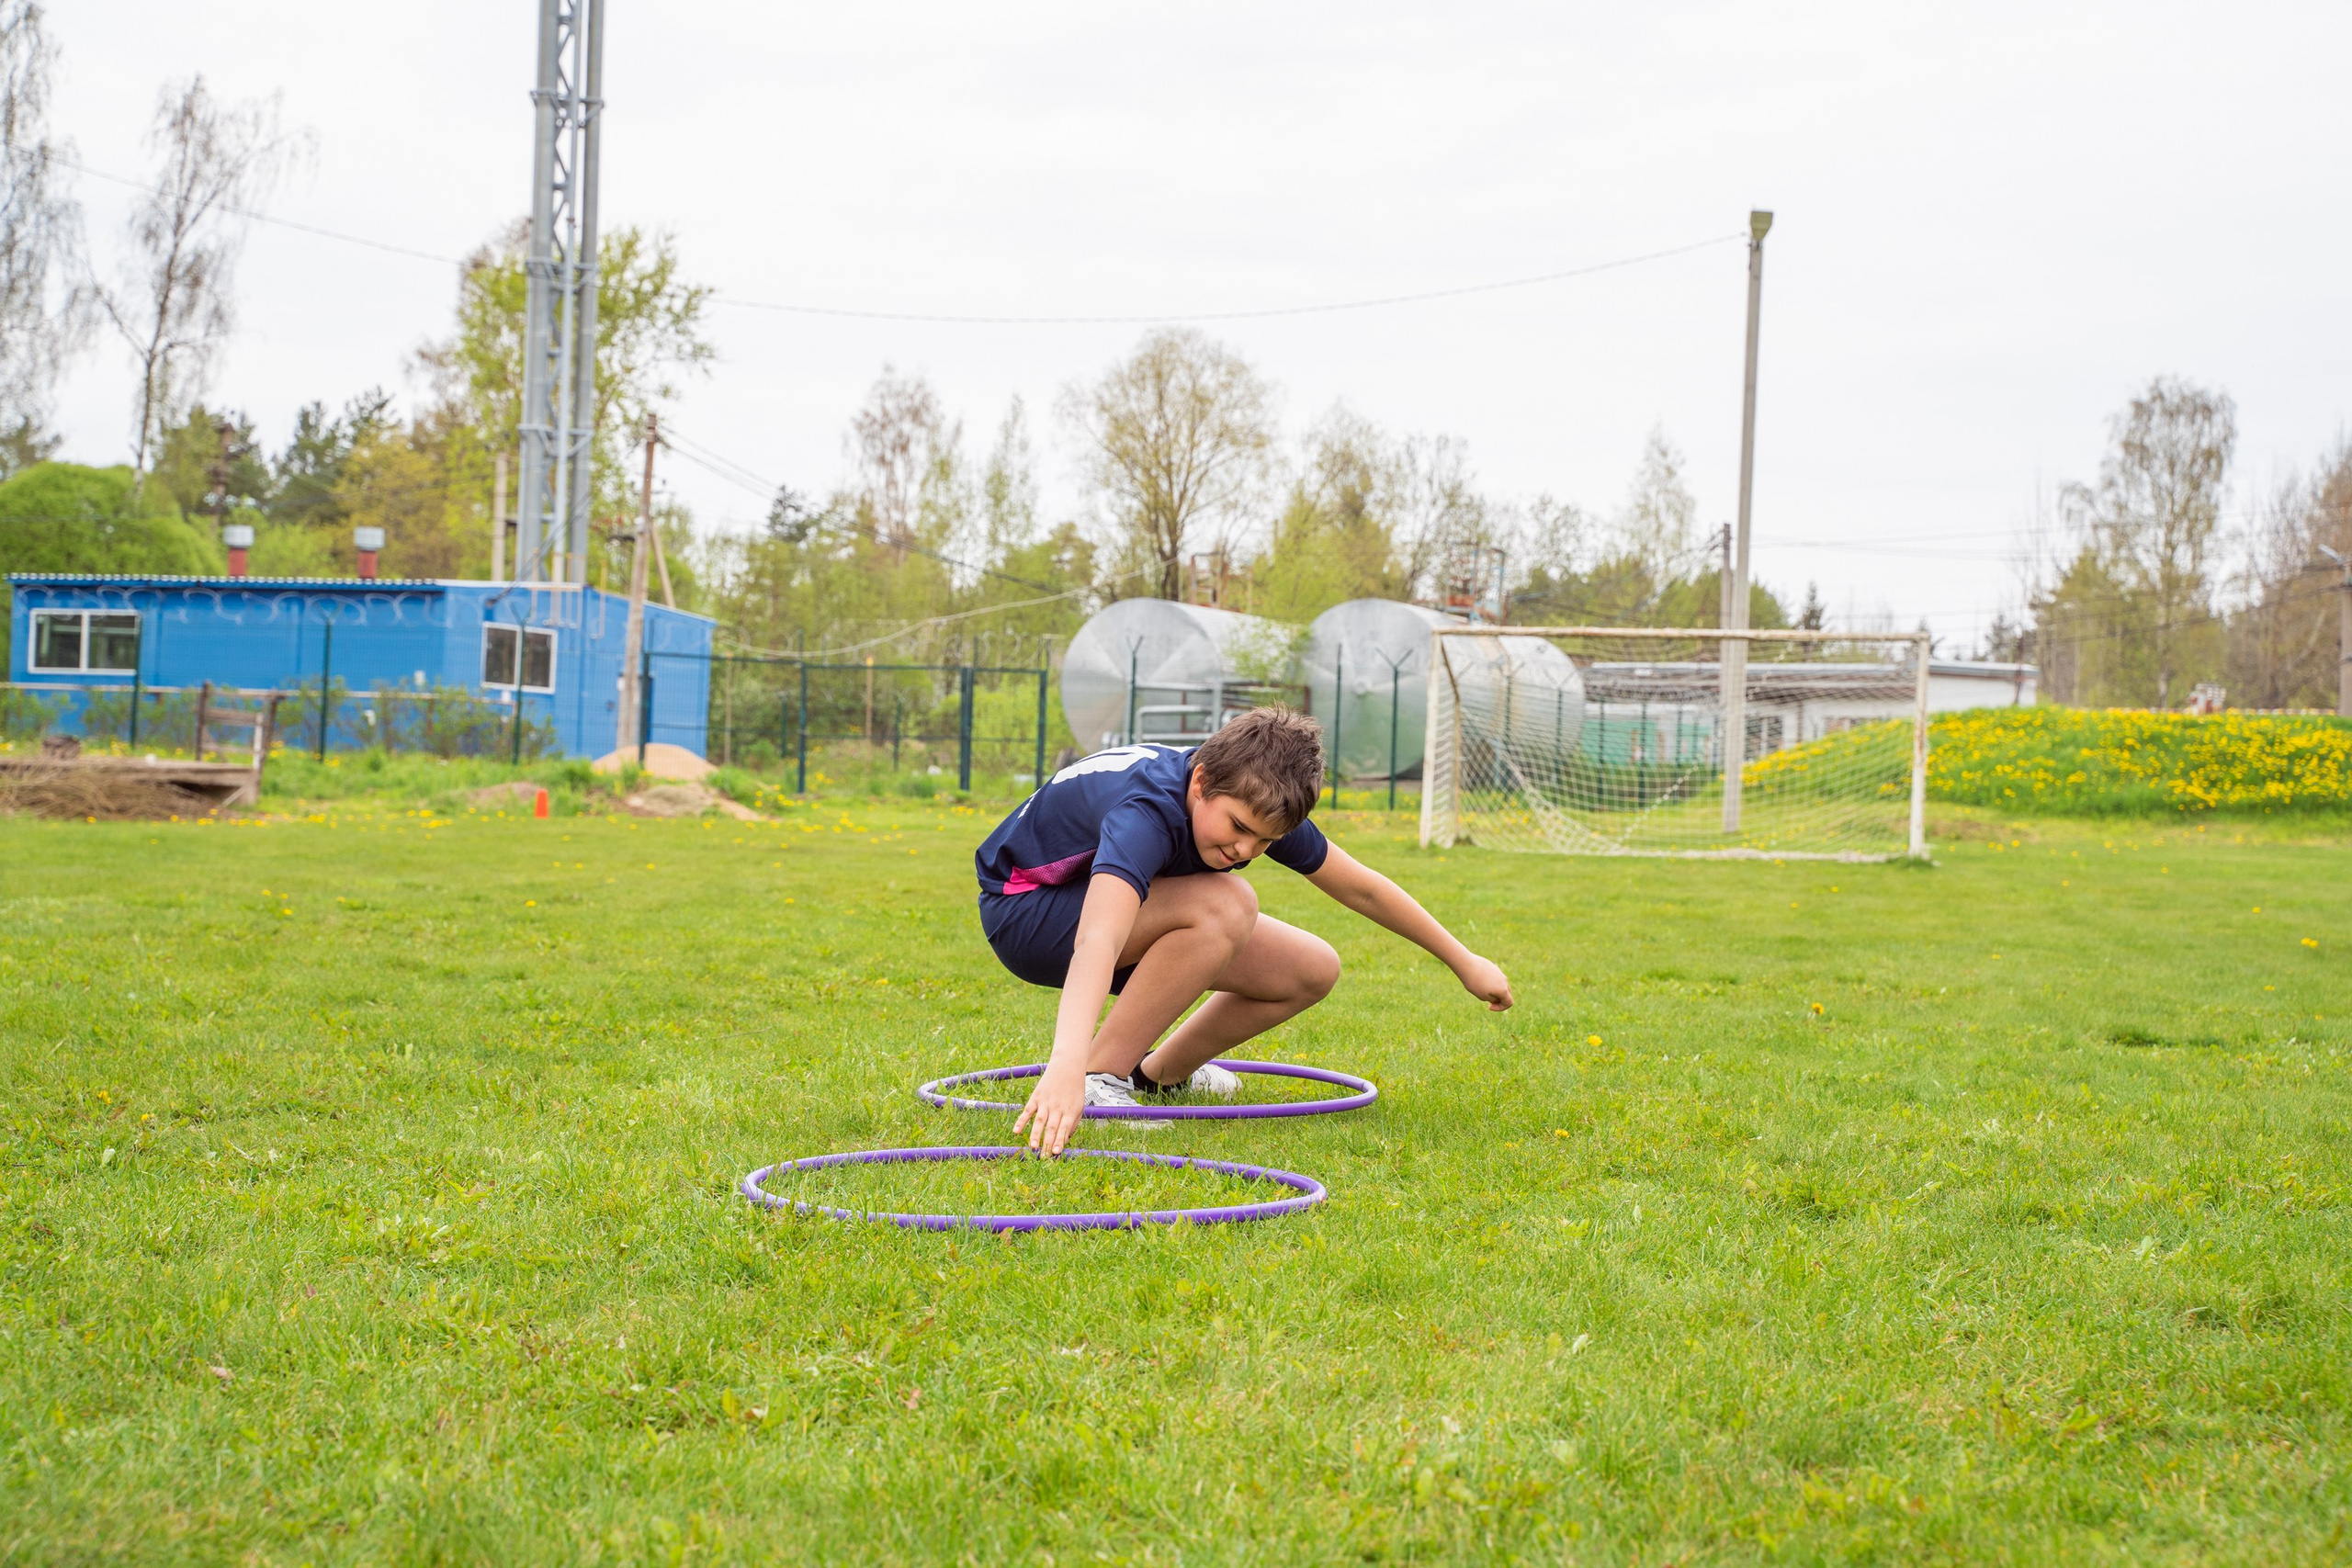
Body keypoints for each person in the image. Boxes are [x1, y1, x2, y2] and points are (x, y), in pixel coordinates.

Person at [973, 707, 1513, 1155]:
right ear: (1202, 781)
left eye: (1265, 842)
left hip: (1103, 918)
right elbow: (1099, 938)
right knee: (1227, 902)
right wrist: (1067, 1065)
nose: (1245, 851)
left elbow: (1362, 888)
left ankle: (1160, 1076)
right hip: (1025, 916)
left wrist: (1462, 960)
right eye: (1239, 829)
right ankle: (1099, 1079)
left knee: (1310, 969)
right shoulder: (1147, 810)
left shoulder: (1252, 797)